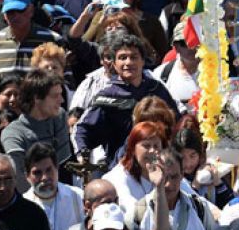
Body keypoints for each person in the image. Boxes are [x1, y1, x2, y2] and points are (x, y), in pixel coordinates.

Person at [73, 33, 176, 168]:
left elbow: (176, 122)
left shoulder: (156, 89)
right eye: (122, 58)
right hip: (121, 167)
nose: (128, 62)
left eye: (134, 57)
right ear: (114, 64)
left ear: (143, 61)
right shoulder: (107, 96)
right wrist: (82, 155)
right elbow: (82, 129)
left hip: (160, 165)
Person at [2, 70, 71, 192]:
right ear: (37, 98)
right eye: (55, 96)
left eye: (61, 94)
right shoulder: (13, 134)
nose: (62, 100)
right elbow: (20, 179)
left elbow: (63, 164)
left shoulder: (59, 117)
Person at [22, 142, 83, 230]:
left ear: (57, 168)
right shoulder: (23, 207)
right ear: (27, 176)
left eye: (49, 170)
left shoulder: (77, 197)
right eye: (37, 173)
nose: (44, 178)